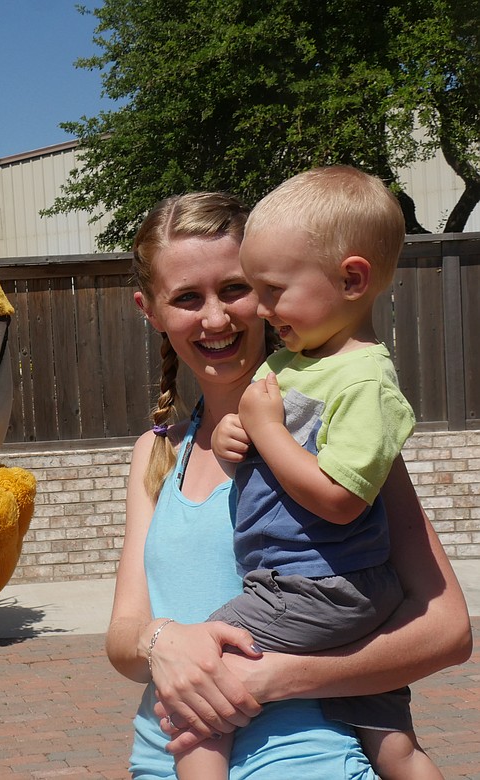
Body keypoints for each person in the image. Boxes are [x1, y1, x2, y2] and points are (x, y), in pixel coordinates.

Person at [107, 191, 472, 780]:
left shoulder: (334, 430)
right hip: (161, 759)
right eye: (186, 298)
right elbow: (123, 637)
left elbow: (447, 631)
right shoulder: (155, 452)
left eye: (235, 289)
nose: (216, 318)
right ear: (149, 310)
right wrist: (163, 642)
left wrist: (280, 677)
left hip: (308, 760)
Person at [178, 166, 436, 779]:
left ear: (352, 279)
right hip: (325, 585)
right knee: (392, 742)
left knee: (196, 690)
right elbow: (274, 442)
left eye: (274, 290)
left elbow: (342, 500)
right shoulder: (299, 363)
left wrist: (267, 429)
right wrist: (241, 434)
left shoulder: (366, 380)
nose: (263, 309)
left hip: (317, 583)